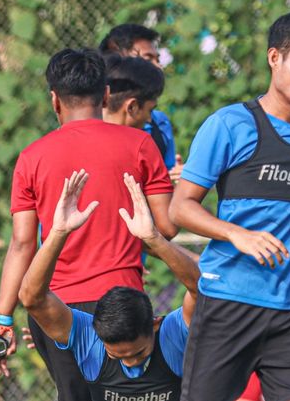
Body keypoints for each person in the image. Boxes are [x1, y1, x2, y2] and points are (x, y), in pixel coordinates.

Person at [169, 11, 290, 401]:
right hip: (230, 302)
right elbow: (180, 208)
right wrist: (238, 235)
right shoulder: (230, 125)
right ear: (274, 59)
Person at [0, 49, 176, 401]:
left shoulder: (32, 157)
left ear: (54, 100)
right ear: (105, 95)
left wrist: (1, 318)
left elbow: (21, 244)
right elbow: (165, 228)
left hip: (56, 307)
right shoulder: (140, 144)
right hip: (122, 303)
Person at [18, 171, 198, 401]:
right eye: (117, 355)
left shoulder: (172, 335)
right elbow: (32, 298)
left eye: (139, 353)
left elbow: (198, 288)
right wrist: (57, 233)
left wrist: (154, 238)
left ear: (155, 324)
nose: (130, 362)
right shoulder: (89, 341)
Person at [98, 23, 182, 180]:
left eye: (158, 59)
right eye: (147, 59)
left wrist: (178, 180)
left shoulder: (159, 123)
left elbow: (165, 180)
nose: (158, 66)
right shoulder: (87, 126)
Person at [102, 54, 165, 131]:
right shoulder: (142, 142)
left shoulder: (85, 136)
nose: (149, 120)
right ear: (132, 107)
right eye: (150, 110)